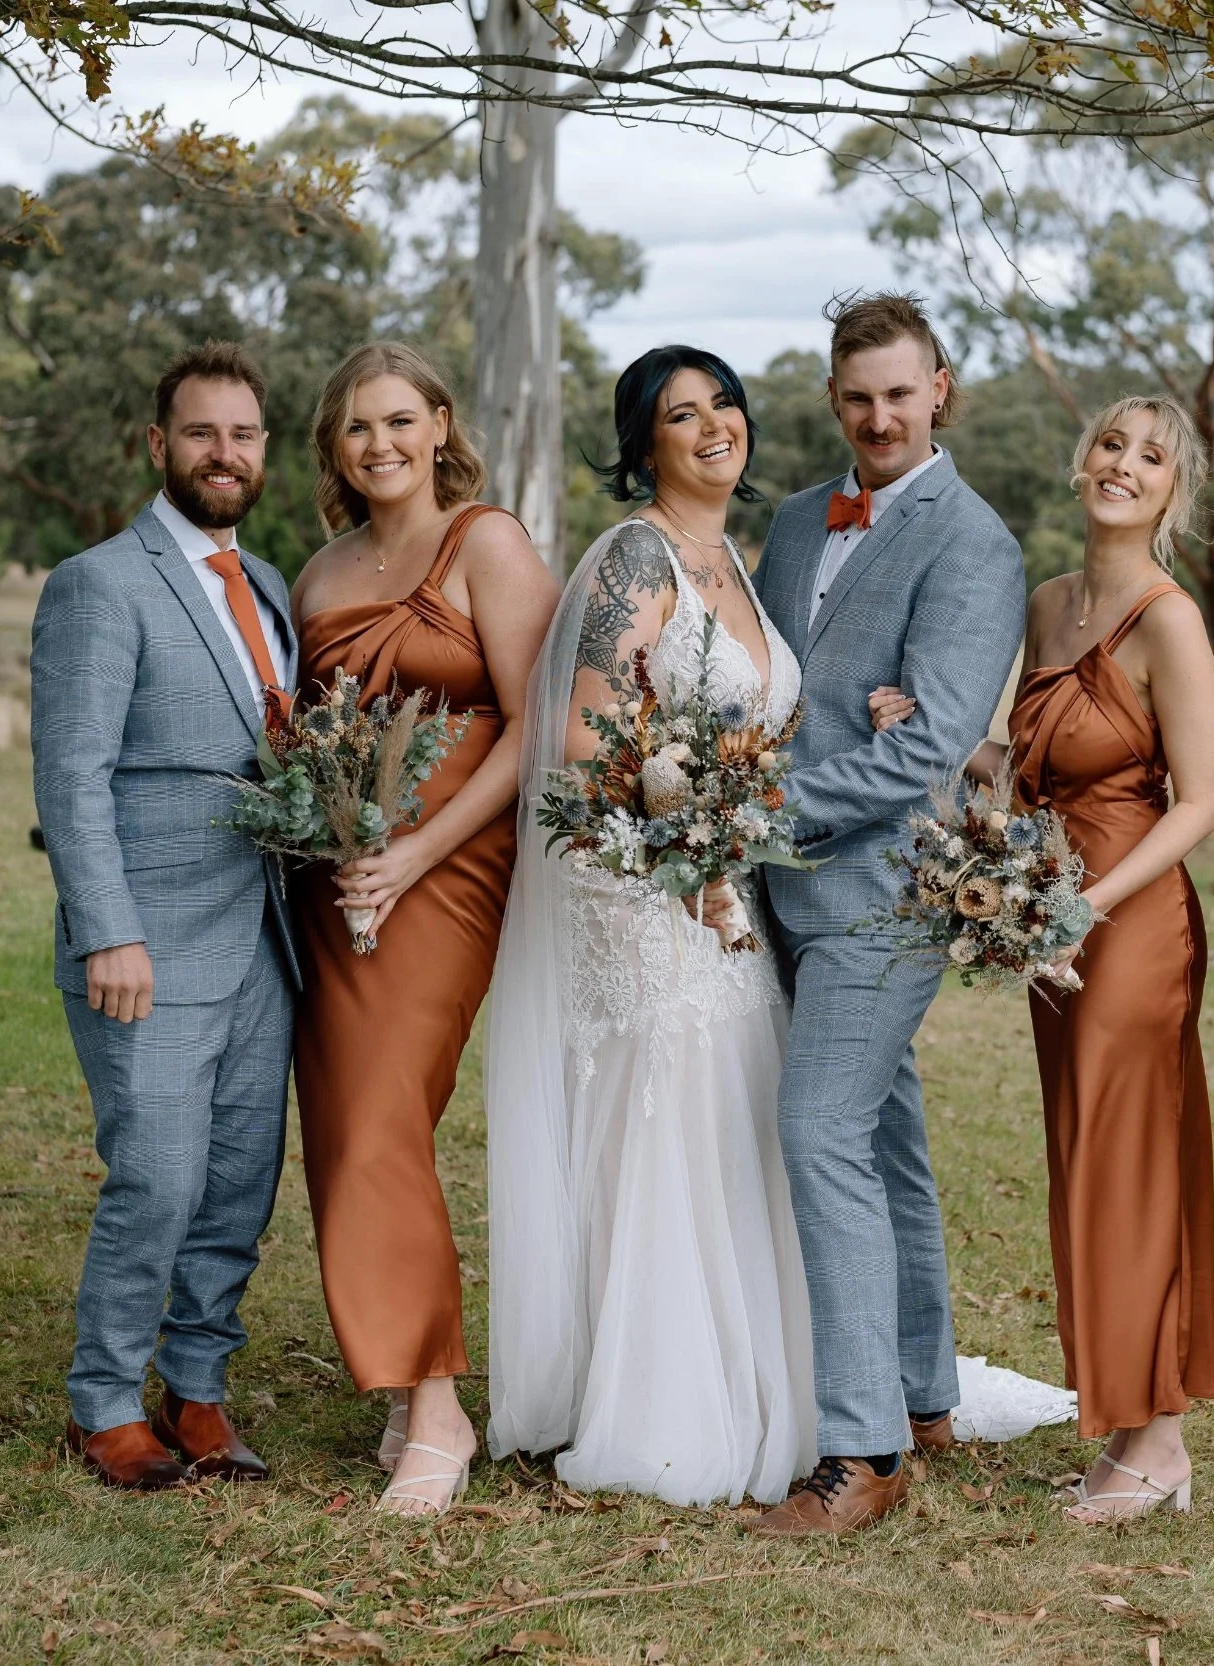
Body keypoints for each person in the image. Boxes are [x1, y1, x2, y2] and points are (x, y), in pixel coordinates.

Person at [875, 395, 1214, 1522]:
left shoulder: (1168, 619)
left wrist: (1089, 906)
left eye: (1151, 456)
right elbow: (1032, 765)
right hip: (1051, 920)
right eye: (1111, 445)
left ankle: (1157, 1436)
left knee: (1132, 1165)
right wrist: (943, 734)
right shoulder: (1050, 602)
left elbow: (1204, 798)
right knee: (1082, 1158)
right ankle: (1127, 1418)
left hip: (1128, 923)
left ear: (1174, 490)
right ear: (1081, 465)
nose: (1124, 465)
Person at [483, 345, 816, 1506]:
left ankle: (751, 1378)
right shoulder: (637, 558)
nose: (714, 423)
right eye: (682, 413)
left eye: (723, 401)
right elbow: (583, 743)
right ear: (643, 448)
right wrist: (688, 826)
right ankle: (657, 1403)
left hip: (720, 884)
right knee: (665, 1114)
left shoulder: (736, 561)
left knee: (732, 1115)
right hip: (638, 890)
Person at [742, 294, 1028, 1536]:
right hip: (777, 890)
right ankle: (920, 1392)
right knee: (883, 1136)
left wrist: (756, 806)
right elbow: (754, 674)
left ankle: (861, 1452)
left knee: (817, 1134)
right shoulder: (798, 521)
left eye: (900, 395)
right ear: (833, 401)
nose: (878, 419)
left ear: (941, 389)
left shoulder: (976, 546)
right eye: (857, 399)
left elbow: (930, 754)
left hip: (887, 893)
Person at [288, 341, 557, 1516]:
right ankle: (404, 1380)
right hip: (338, 877)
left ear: (441, 424)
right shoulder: (316, 573)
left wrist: (416, 852)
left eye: (400, 420)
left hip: (451, 870)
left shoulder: (486, 543)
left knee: (385, 1111)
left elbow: (534, 725)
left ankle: (440, 1408)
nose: (380, 444)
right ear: (335, 447)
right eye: (356, 427)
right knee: (347, 1125)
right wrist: (343, 839)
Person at [32, 341, 300, 1490]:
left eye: (241, 435)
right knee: (160, 1176)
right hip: (147, 938)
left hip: (265, 942)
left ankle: (196, 1387)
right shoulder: (100, 582)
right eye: (201, 433)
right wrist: (108, 928)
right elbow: (72, 772)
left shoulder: (273, 584)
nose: (222, 454)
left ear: (263, 450)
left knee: (240, 1178)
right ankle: (103, 1401)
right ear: (159, 446)